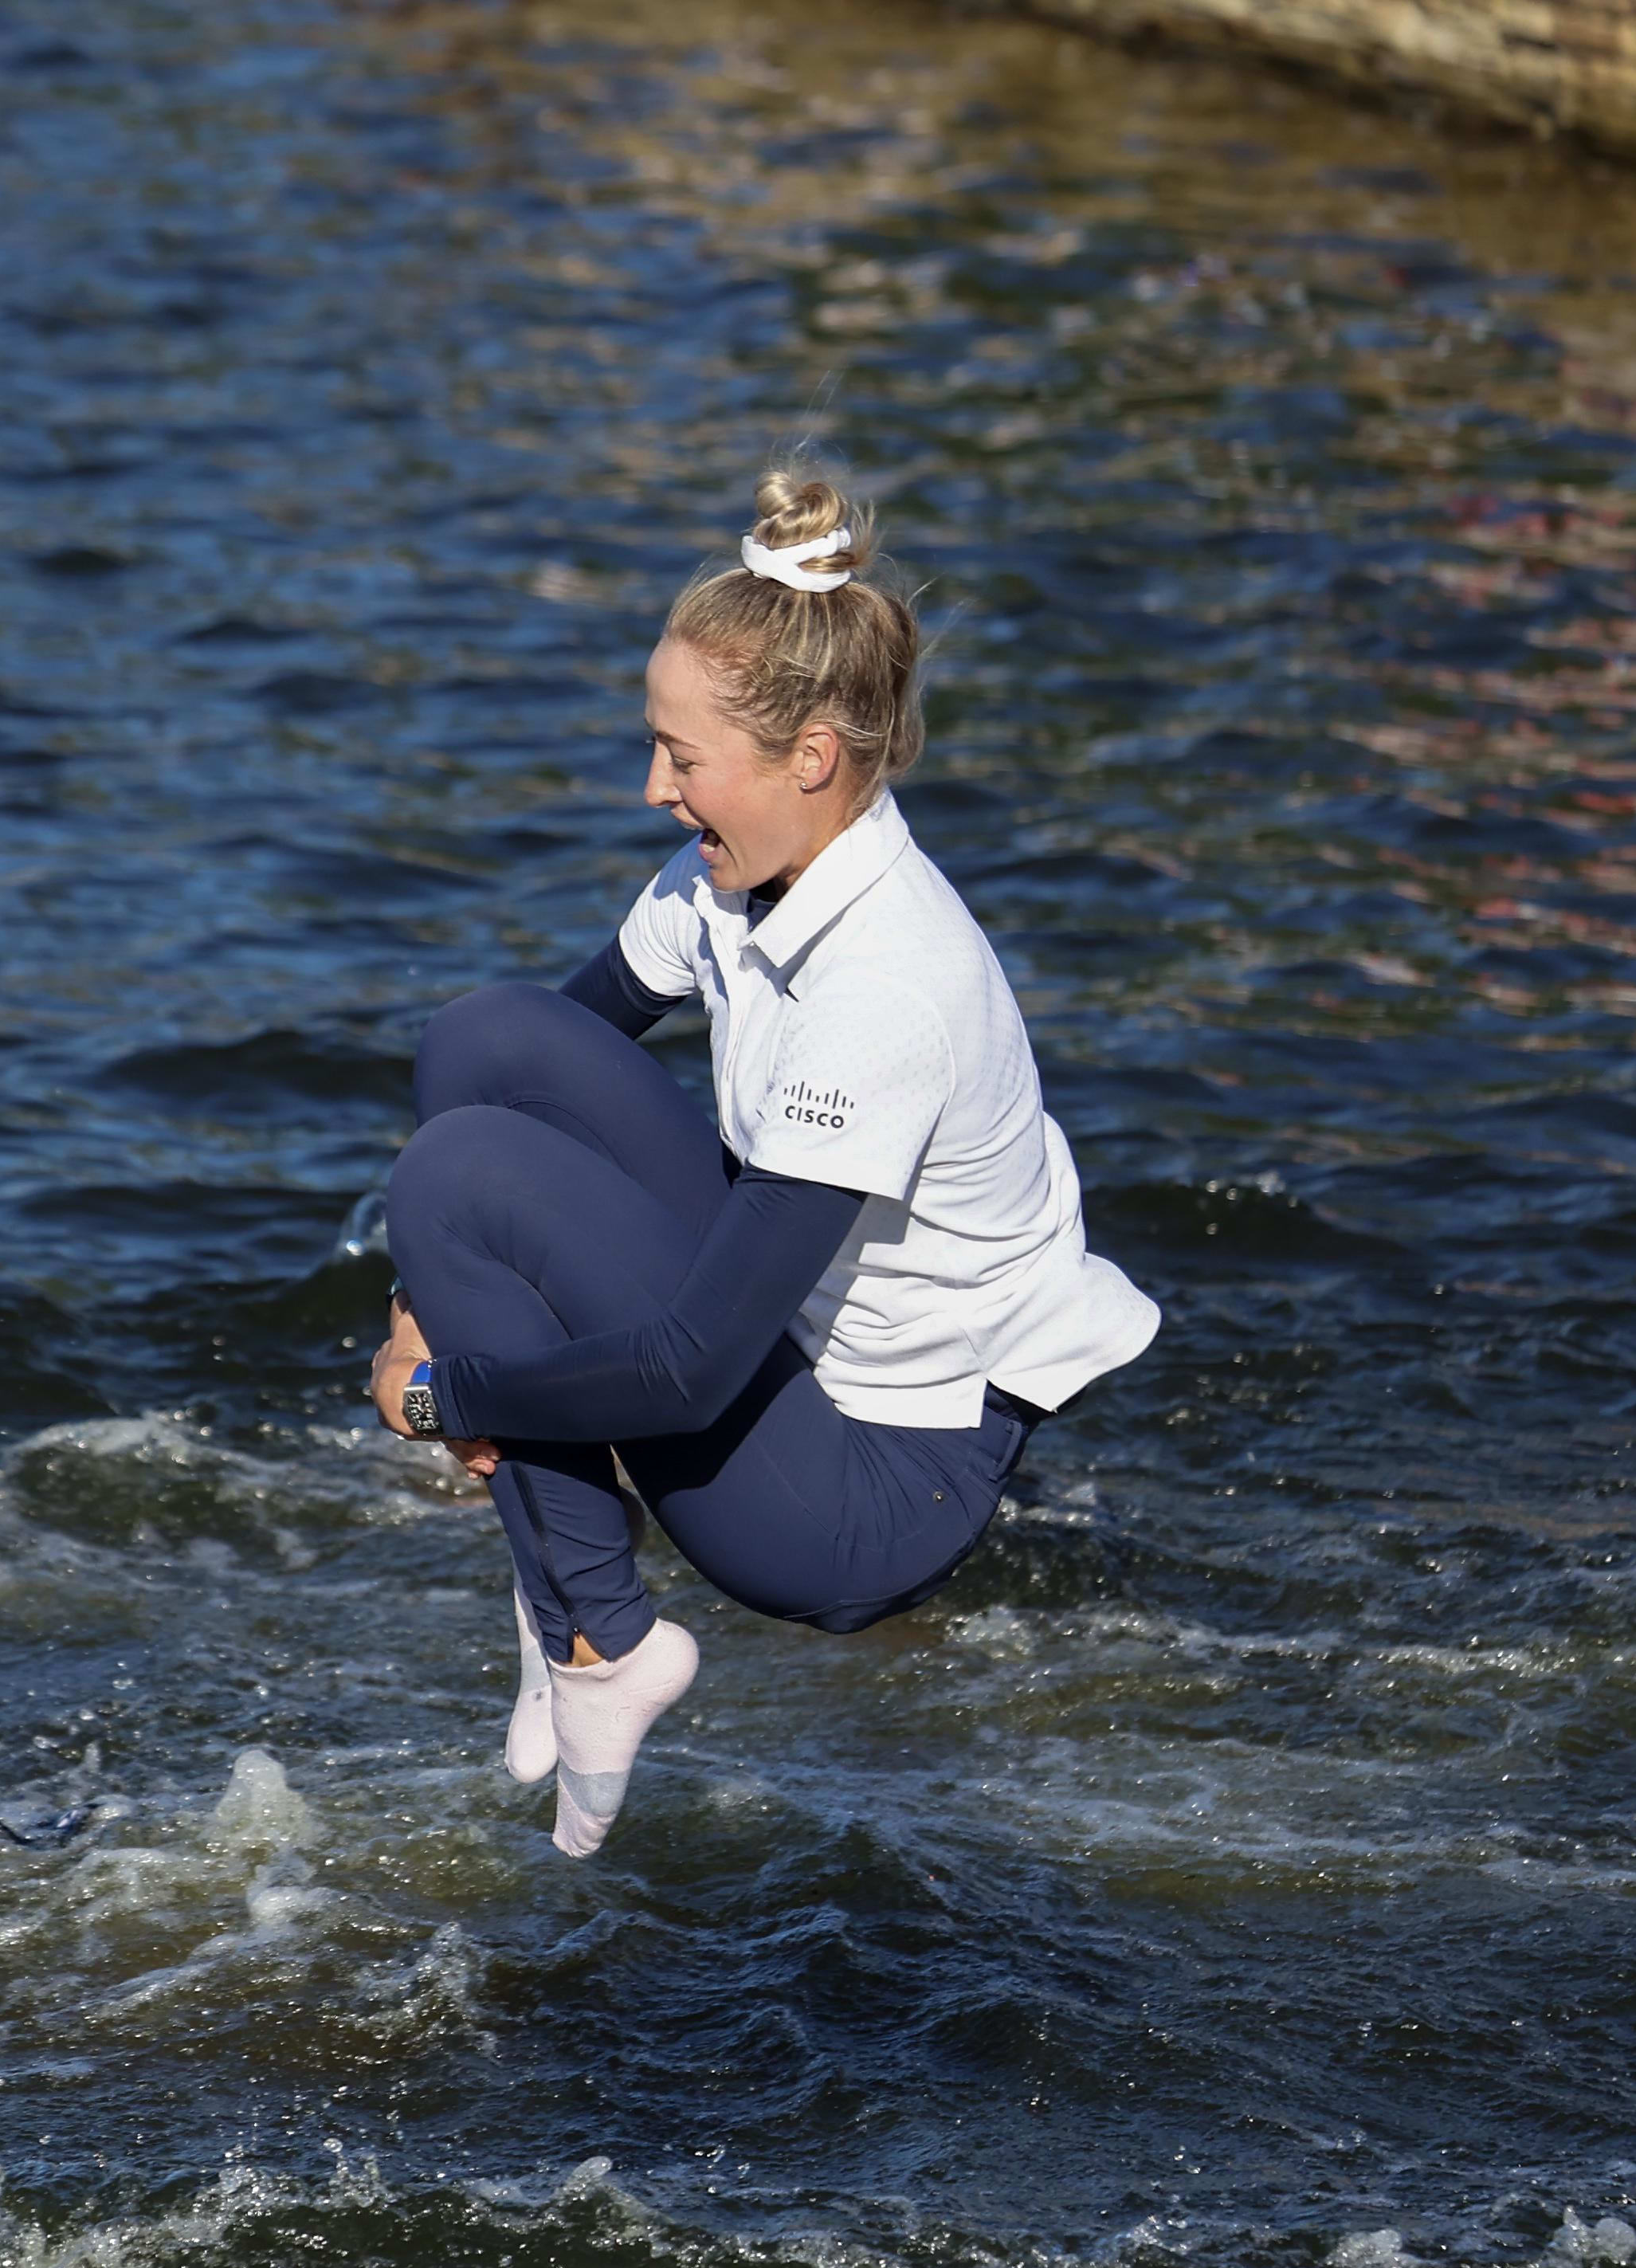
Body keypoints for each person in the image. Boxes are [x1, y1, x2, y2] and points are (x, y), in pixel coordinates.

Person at [370, 471, 1158, 1859]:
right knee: (484, 1044)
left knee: (456, 1183)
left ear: (809, 756)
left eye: (681, 756)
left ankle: (603, 1639)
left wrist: (444, 1398)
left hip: (871, 1494)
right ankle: (562, 1574)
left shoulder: (887, 991)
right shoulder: (738, 875)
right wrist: (417, 1314)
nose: (653, 788)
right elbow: (536, 1055)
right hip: (793, 1355)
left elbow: (687, 1371)